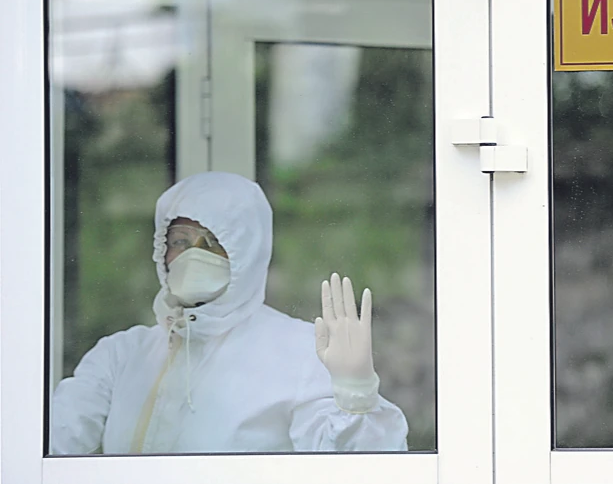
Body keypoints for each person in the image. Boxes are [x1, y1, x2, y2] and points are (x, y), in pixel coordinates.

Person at [51, 171, 408, 454]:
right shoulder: (121, 356)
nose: (193, 254)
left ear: (247, 251)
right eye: (180, 241)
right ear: (162, 249)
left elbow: (358, 469)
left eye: (212, 242)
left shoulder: (301, 352)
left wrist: (356, 395)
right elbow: (52, 441)